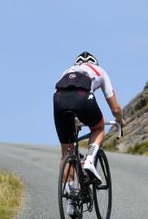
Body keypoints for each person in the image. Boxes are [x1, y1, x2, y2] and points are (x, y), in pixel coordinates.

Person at [54, 51, 126, 183]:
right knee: (98, 128)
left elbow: (62, 94)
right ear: (94, 63)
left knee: (66, 154)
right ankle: (90, 161)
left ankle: (69, 201)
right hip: (83, 98)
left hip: (59, 100)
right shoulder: (100, 71)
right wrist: (120, 120)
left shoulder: (67, 71)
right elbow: (115, 108)